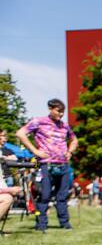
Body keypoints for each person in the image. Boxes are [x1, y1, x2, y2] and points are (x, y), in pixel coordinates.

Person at [16, 98, 78, 232]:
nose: (61, 114)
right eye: (58, 111)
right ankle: (41, 224)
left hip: (63, 165)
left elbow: (74, 140)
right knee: (44, 195)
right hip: (46, 165)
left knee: (62, 196)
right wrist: (35, 151)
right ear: (50, 109)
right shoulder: (39, 122)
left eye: (63, 112)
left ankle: (65, 223)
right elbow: (20, 134)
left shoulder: (64, 126)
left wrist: (70, 152)